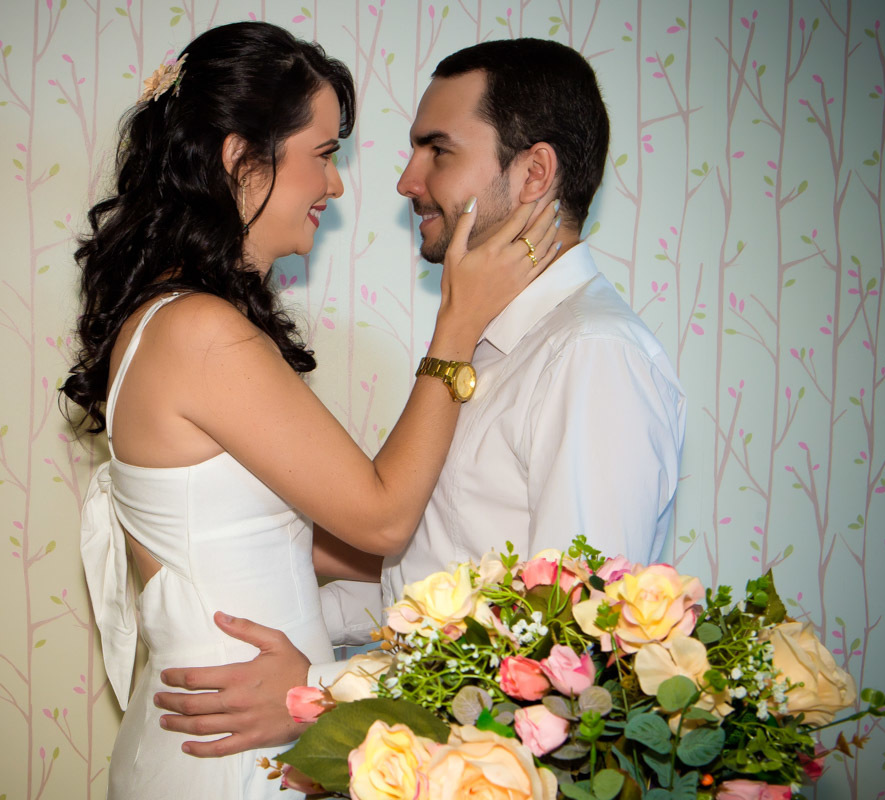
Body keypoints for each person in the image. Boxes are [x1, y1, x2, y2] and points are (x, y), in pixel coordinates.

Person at [154, 36, 687, 761]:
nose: (406, 181)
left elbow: (567, 652)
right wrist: (288, 615)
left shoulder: (593, 357)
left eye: (438, 150)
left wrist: (315, 687)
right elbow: (444, 582)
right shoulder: (485, 346)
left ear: (534, 173)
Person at [62, 23, 558, 800]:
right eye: (323, 155)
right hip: (229, 758)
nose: (335, 185)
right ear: (242, 159)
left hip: (225, 736)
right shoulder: (198, 332)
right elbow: (382, 519)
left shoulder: (174, 320)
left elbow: (298, 541)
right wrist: (457, 323)